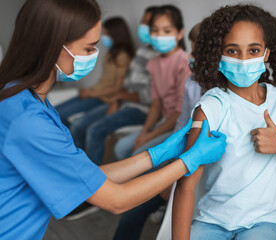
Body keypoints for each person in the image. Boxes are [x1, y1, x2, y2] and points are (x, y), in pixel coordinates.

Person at [0, 1, 227, 239]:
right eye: (89, 49)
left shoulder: (21, 97)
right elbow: (116, 200)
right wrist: (189, 160)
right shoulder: (28, 121)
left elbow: (88, 175)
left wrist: (158, 153)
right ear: (53, 46)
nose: (94, 56)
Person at [172, 4, 276, 240]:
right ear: (217, 55)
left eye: (253, 50)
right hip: (211, 222)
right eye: (232, 50)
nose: (242, 60)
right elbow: (187, 184)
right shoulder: (211, 107)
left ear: (266, 54)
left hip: (265, 223)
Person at [112, 22, 203, 240]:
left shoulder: (221, 93)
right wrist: (169, 153)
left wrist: (172, 177)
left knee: (140, 209)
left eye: (199, 51)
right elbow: (182, 121)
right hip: (183, 149)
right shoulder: (192, 81)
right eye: (193, 50)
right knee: (131, 211)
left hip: (195, 165)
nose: (193, 56)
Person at [114, 5, 191, 160]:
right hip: (164, 122)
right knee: (121, 147)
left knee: (138, 156)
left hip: (181, 127)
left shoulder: (184, 63)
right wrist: (144, 133)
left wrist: (150, 136)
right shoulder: (153, 63)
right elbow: (156, 104)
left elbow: (180, 112)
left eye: (167, 31)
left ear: (180, 33)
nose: (160, 36)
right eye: (155, 30)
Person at [84, 6, 158, 166]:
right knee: (85, 126)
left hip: (140, 110)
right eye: (143, 22)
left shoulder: (160, 59)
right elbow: (127, 85)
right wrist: (116, 100)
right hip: (125, 104)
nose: (143, 27)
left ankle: (94, 183)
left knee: (94, 130)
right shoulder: (142, 53)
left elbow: (150, 98)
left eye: (148, 24)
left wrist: (118, 97)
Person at [55, 16, 134, 149]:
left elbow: (117, 87)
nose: (104, 36)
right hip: (95, 94)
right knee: (56, 113)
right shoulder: (111, 53)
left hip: (103, 98)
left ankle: (77, 155)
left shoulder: (122, 56)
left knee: (78, 125)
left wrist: (92, 93)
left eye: (107, 33)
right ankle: (72, 148)